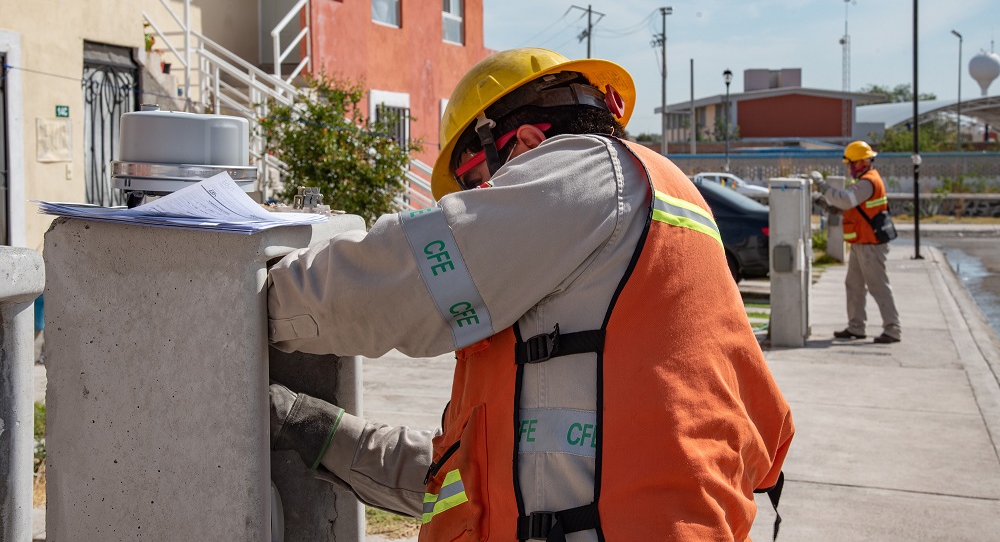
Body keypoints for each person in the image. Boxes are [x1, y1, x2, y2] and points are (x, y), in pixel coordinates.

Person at [267, 48, 794, 541]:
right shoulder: (642, 214)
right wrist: (317, 431)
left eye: (476, 187)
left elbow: (397, 282)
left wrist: (246, 301)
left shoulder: (589, 174)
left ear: (524, 145)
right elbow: (475, 477)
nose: (476, 208)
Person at [811, 140, 901, 344]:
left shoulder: (868, 181)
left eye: (851, 163)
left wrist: (823, 186)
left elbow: (846, 200)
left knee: (878, 286)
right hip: (861, 242)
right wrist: (828, 206)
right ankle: (856, 327)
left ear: (862, 162)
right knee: (854, 285)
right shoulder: (864, 180)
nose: (849, 167)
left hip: (870, 244)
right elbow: (852, 208)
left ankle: (893, 329)